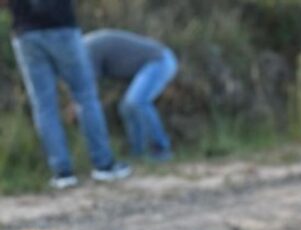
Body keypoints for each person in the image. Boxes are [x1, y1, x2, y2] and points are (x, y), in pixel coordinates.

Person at [1, 0, 132, 189]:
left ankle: (62, 173)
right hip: (61, 27)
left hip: (26, 33)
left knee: (43, 104)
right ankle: (104, 165)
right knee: (85, 96)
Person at [84, 30, 178, 161]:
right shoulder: (86, 45)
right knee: (126, 107)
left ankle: (161, 149)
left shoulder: (86, 51)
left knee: (136, 102)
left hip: (159, 61)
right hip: (154, 62)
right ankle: (138, 152)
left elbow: (87, 92)